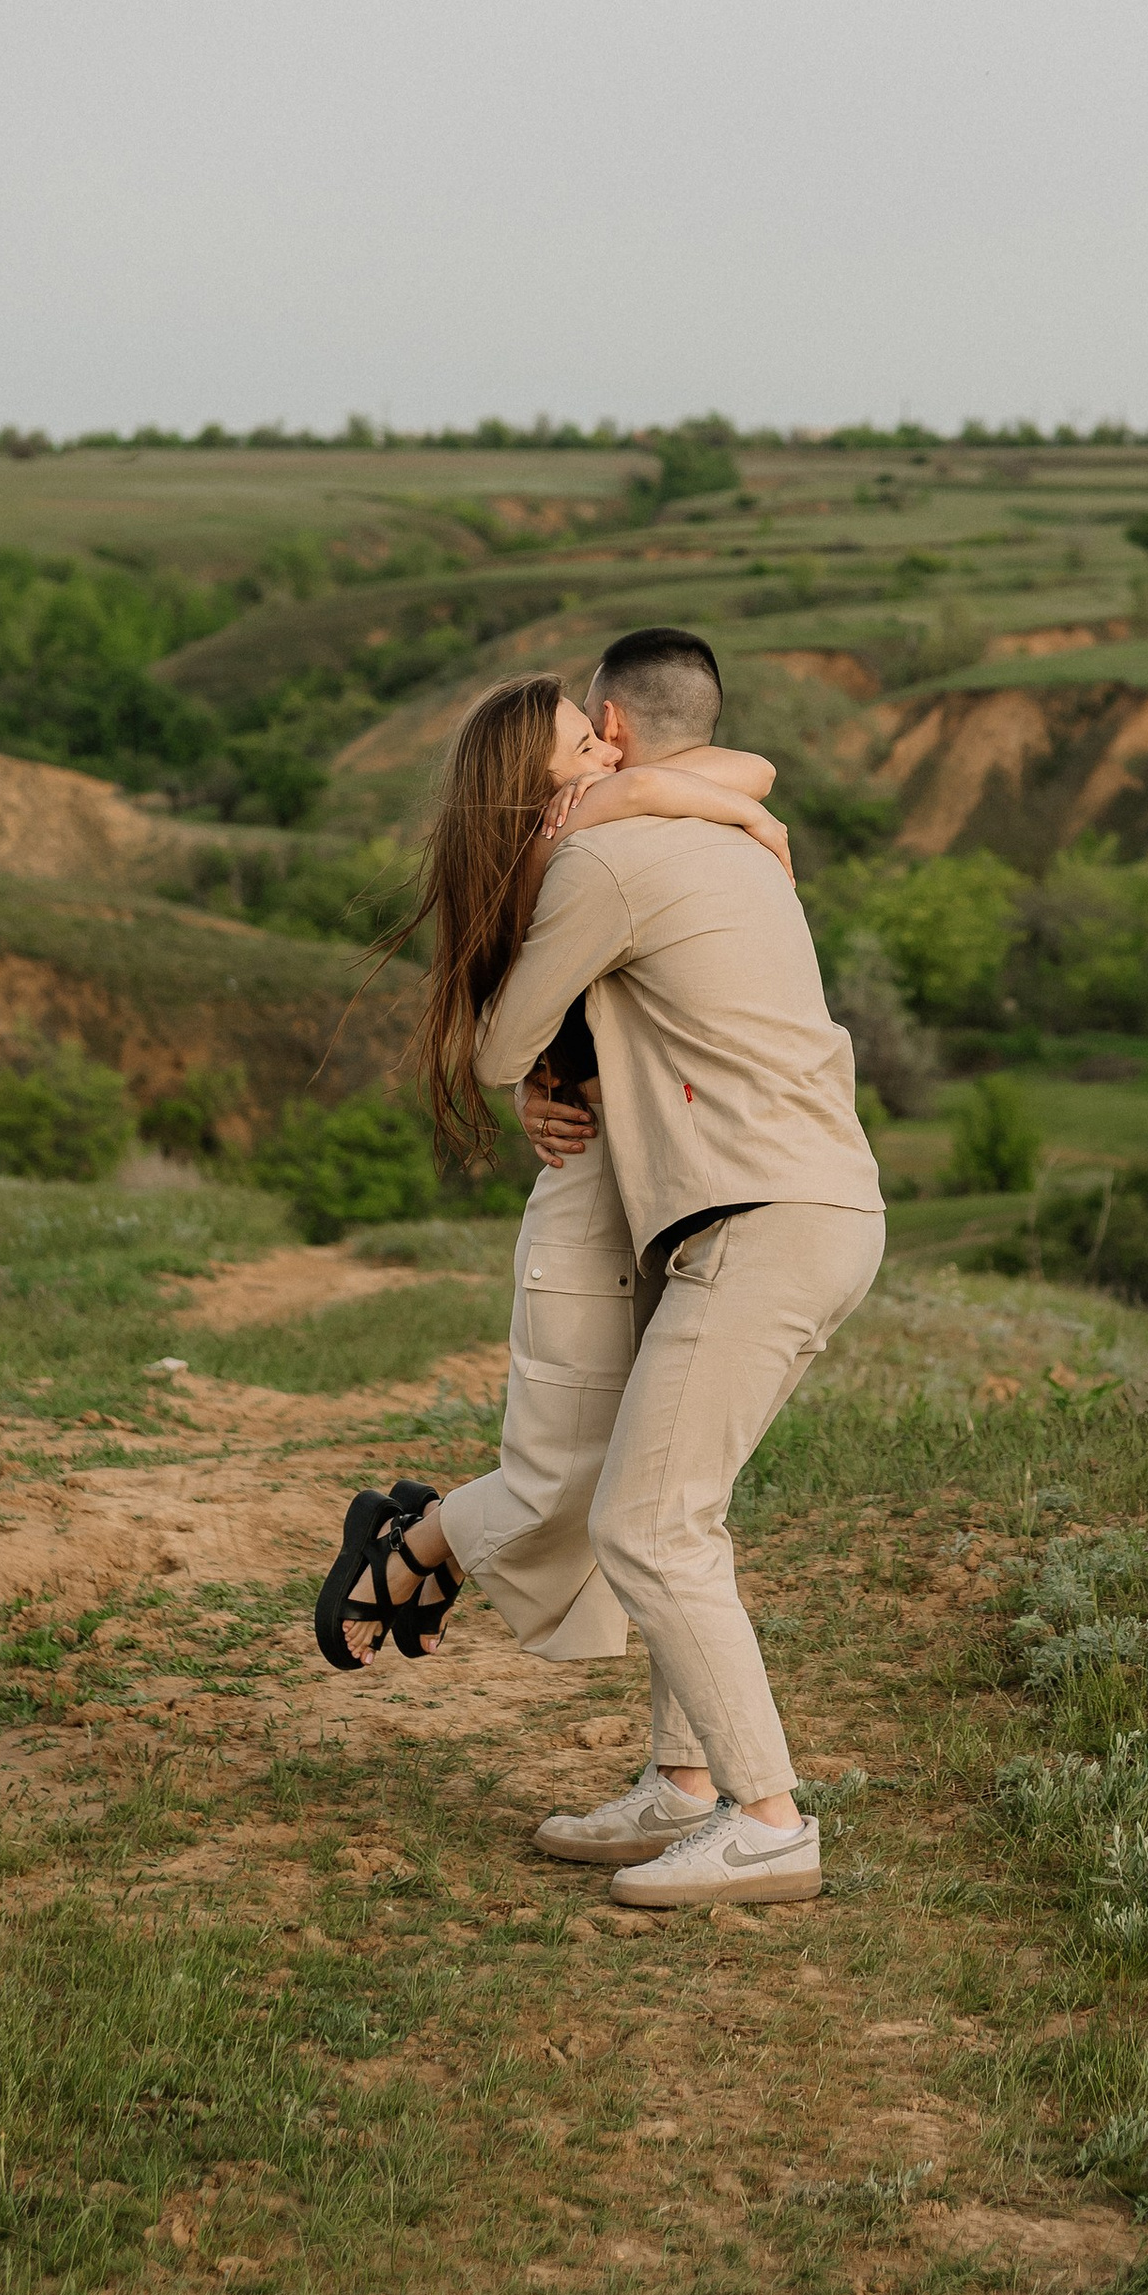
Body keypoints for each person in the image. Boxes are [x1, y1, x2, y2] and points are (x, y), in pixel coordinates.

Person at [321, 625, 884, 1912]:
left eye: (593, 733)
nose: (592, 755)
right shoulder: (698, 826)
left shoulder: (604, 858)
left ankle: (767, 1822)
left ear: (612, 733)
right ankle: (683, 1785)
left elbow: (496, 1043)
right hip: (802, 1204)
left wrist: (528, 1071)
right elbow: (745, 779)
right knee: (680, 1511)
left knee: (648, 1523)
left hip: (760, 1217)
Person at [314, 659, 790, 1684]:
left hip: (663, 1188)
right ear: (535, 794)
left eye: (602, 737)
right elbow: (501, 1046)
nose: (612, 755)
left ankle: (429, 1548)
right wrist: (661, 799)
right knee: (564, 1482)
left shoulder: (606, 815)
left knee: (653, 1490)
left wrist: (648, 789)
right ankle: (412, 1546)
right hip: (589, 1194)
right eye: (586, 748)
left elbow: (753, 766)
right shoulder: (567, 858)